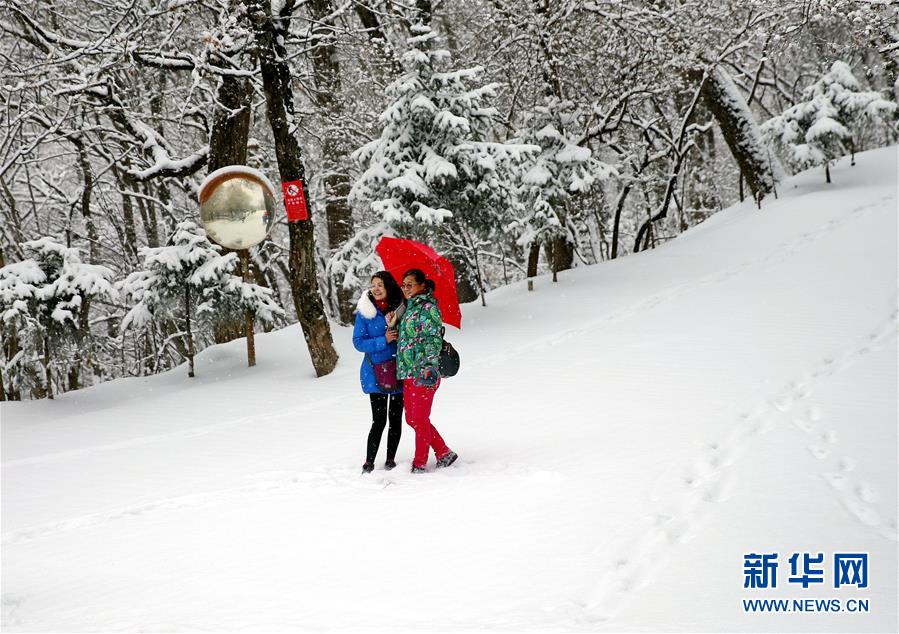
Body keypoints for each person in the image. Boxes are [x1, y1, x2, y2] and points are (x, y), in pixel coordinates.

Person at [396, 268, 458, 473]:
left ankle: (420, 463)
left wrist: (430, 367)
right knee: (412, 419)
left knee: (420, 419)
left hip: (423, 371)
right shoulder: (408, 308)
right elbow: (412, 338)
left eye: (410, 284)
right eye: (403, 284)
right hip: (408, 370)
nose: (405, 288)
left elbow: (432, 339)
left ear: (422, 285)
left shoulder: (428, 308)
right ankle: (443, 452)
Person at [353, 272, 405, 473]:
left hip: (399, 369)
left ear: (389, 287)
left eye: (380, 284)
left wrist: (398, 331)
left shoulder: (401, 308)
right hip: (375, 373)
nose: (375, 288)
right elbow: (358, 342)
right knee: (379, 419)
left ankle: (391, 459)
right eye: (373, 284)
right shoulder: (365, 312)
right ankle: (369, 461)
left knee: (396, 419)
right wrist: (384, 339)